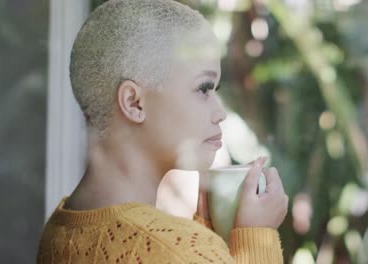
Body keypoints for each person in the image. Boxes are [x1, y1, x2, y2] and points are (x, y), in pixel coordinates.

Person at [37, 0, 289, 263]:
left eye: (217, 90)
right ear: (134, 103)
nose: (220, 112)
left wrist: (205, 231)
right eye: (203, 88)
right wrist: (257, 237)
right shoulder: (178, 252)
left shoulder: (58, 231)